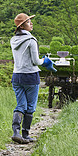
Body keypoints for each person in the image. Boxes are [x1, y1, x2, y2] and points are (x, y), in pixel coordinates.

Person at [10, 13, 56, 144]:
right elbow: (36, 61)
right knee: (30, 107)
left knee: (20, 105)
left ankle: (16, 132)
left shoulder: (13, 40)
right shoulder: (31, 40)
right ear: (23, 26)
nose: (31, 24)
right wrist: (45, 61)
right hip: (30, 76)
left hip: (17, 76)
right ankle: (25, 134)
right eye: (29, 22)